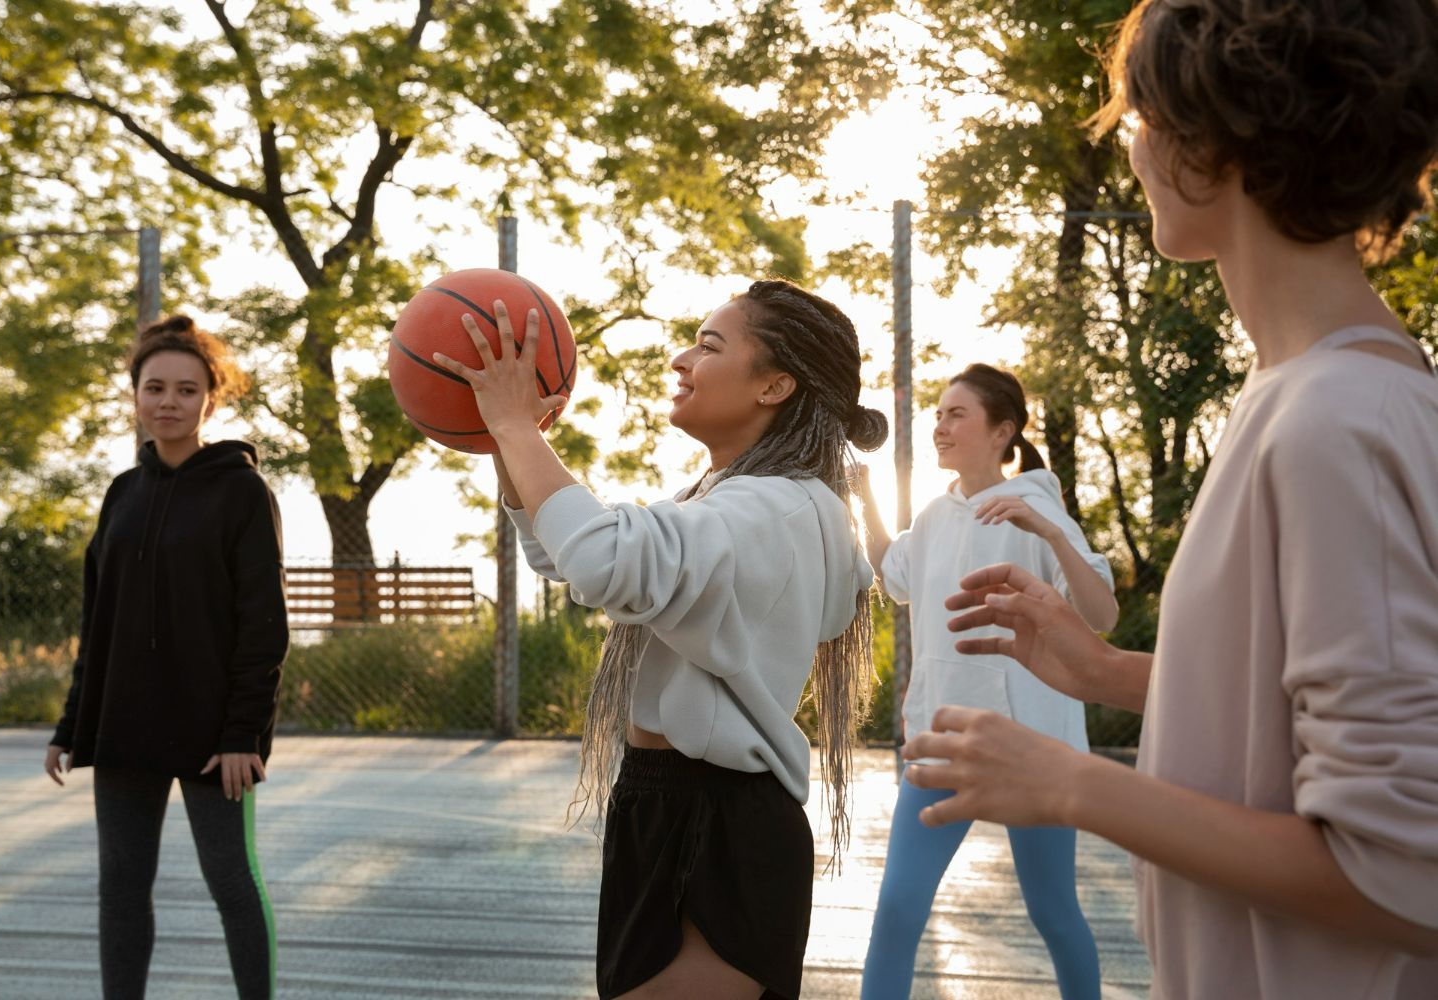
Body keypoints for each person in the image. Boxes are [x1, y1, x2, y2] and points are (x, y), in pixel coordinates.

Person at [902, 2, 1438, 998]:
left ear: (1215, 138)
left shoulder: (1335, 423)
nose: (1133, 149)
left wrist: (1073, 783)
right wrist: (1106, 670)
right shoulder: (1318, 392)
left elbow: (1406, 869)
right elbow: (1297, 715)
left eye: (1143, 116)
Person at [429, 279, 888, 999]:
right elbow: (567, 554)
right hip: (662, 804)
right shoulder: (732, 498)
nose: (681, 358)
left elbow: (603, 558)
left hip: (721, 823)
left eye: (709, 345)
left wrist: (516, 427)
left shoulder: (779, 507)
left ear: (775, 384)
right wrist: (505, 440)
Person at [856, 363, 1118, 1000]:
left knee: (1054, 915)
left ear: (1003, 432)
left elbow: (1102, 617)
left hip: (1033, 753)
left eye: (956, 414)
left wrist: (1051, 532)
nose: (940, 427)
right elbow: (893, 570)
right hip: (944, 744)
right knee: (896, 911)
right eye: (938, 414)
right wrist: (861, 492)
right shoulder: (938, 514)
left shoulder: (1032, 509)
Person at [45, 315, 288, 1000]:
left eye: (186, 390)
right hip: (123, 725)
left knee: (232, 883)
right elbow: (100, 623)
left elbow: (263, 623)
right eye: (155, 388)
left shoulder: (241, 491)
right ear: (135, 397)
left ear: (211, 400)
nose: (169, 402)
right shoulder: (122, 493)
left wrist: (245, 732)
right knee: (121, 887)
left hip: (215, 735)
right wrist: (72, 723)